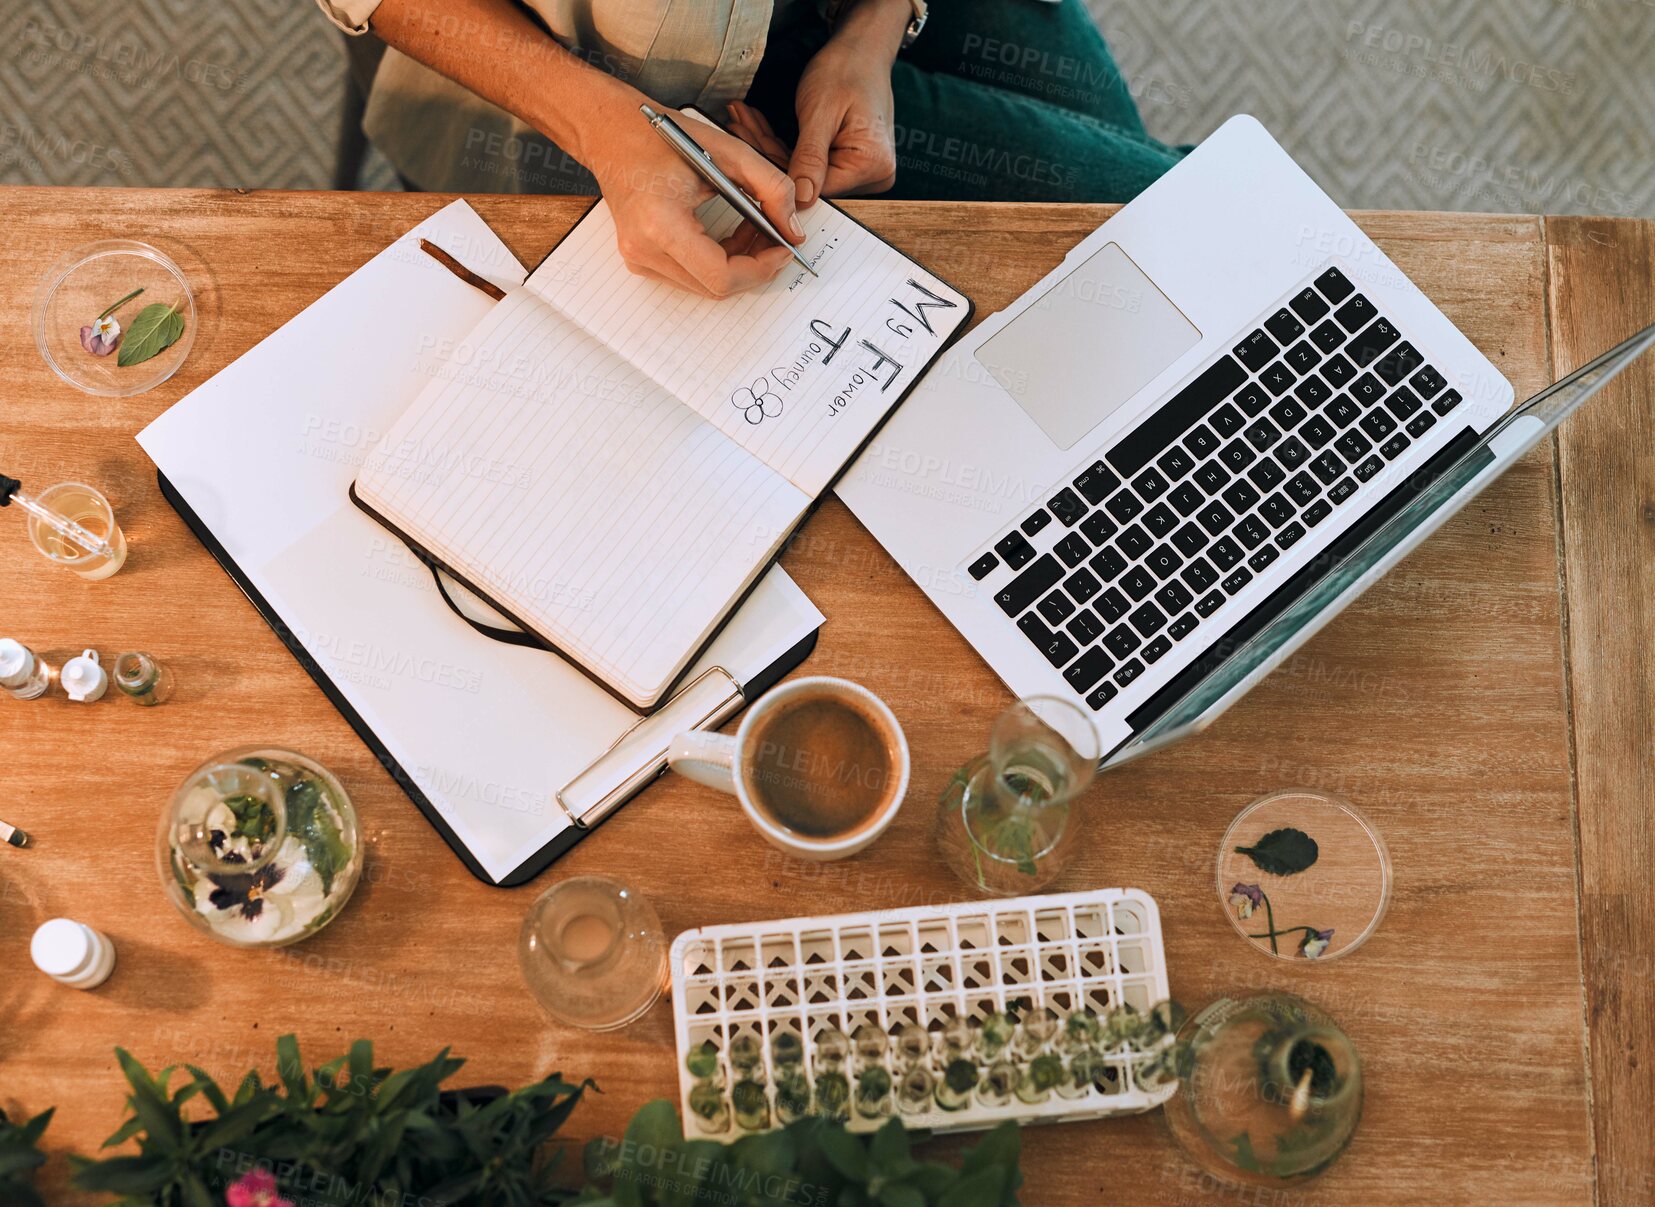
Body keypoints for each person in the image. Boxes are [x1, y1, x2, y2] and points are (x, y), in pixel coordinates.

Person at [318, 0, 1188, 296]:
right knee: (1163, 216)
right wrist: (605, 126)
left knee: (1181, 225)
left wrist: (877, 29)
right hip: (597, 68)